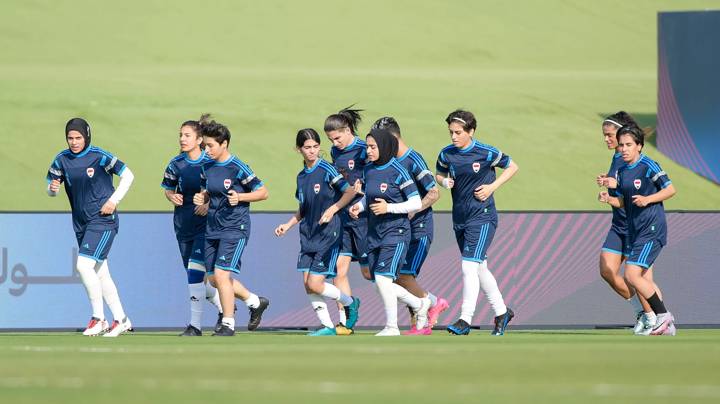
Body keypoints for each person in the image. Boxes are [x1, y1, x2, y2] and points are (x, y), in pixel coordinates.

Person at [46, 118, 134, 337]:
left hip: (103, 220)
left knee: (83, 266)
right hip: (81, 222)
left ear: (86, 136)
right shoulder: (61, 159)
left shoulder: (99, 156)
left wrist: (114, 200)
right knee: (100, 273)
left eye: (78, 137)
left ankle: (99, 318)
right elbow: (51, 190)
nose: (74, 142)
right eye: (70, 138)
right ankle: (121, 319)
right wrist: (53, 189)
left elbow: (128, 175)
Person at [435, 109, 518, 336]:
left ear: (471, 131)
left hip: (482, 217)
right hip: (459, 217)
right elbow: (439, 173)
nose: (453, 136)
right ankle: (502, 312)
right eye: (451, 132)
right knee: (479, 267)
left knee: (468, 265)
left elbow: (513, 166)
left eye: (458, 132)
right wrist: (444, 182)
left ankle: (465, 319)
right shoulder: (446, 153)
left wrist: (492, 187)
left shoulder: (485, 152)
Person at [274, 129, 361, 336]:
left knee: (316, 282)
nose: (312, 151)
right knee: (307, 284)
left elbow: (350, 191)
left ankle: (350, 302)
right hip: (308, 234)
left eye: (315, 147)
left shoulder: (327, 169)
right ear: (299, 149)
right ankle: (328, 326)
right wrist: (288, 224)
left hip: (328, 234)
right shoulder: (301, 177)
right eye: (307, 147)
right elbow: (304, 209)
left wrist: (333, 209)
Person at [192, 115, 270, 336]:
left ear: (224, 144)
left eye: (210, 145)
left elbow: (263, 192)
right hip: (212, 227)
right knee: (213, 279)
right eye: (205, 145)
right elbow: (206, 191)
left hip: (235, 228)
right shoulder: (206, 166)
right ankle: (255, 302)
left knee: (222, 275)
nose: (207, 149)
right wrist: (202, 198)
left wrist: (241, 198)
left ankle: (228, 323)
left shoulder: (238, 167)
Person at [370, 117, 448, 335]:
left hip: (419, 227)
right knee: (395, 278)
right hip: (396, 228)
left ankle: (425, 312)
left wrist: (411, 210)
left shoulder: (413, 160)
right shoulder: (387, 163)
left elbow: (434, 192)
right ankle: (430, 305)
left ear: (393, 138)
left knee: (403, 276)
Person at [351, 128, 431, 336]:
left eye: (372, 147)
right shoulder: (369, 170)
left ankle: (392, 327)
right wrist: (359, 207)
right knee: (379, 284)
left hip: (396, 232)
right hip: (374, 233)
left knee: (384, 280)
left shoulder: (399, 170)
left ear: (384, 146)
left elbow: (414, 202)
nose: (368, 151)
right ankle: (420, 304)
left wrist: (389, 208)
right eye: (367, 146)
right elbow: (369, 198)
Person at [599, 125, 677, 336]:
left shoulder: (648, 165)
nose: (624, 149)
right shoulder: (623, 171)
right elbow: (625, 202)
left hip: (652, 228)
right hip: (636, 230)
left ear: (639, 146)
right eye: (622, 145)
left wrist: (648, 199)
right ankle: (662, 321)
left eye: (629, 145)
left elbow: (670, 189)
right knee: (637, 277)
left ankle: (662, 316)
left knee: (632, 275)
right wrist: (610, 199)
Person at [596, 112, 658, 334]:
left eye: (609, 134)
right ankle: (643, 313)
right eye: (604, 135)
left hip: (637, 225)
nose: (606, 139)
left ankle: (659, 319)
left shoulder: (633, 159)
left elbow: (637, 190)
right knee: (607, 269)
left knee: (639, 279)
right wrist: (609, 189)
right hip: (619, 224)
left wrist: (615, 183)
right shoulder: (616, 157)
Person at [161, 118, 224, 336]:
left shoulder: (211, 162)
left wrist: (208, 203)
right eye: (180, 135)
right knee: (195, 277)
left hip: (206, 226)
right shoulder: (175, 164)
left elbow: (222, 190)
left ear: (199, 140)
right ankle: (226, 308)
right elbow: (168, 187)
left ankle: (195, 325)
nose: (182, 139)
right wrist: (172, 196)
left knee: (195, 274)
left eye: (187, 135)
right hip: (183, 224)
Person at [324, 106, 370, 334]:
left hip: (363, 219)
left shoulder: (365, 149)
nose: (334, 143)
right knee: (338, 271)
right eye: (331, 139)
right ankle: (345, 321)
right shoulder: (335, 153)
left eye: (337, 137)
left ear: (348, 130)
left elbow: (377, 175)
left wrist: (364, 189)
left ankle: (421, 301)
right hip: (343, 219)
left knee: (370, 273)